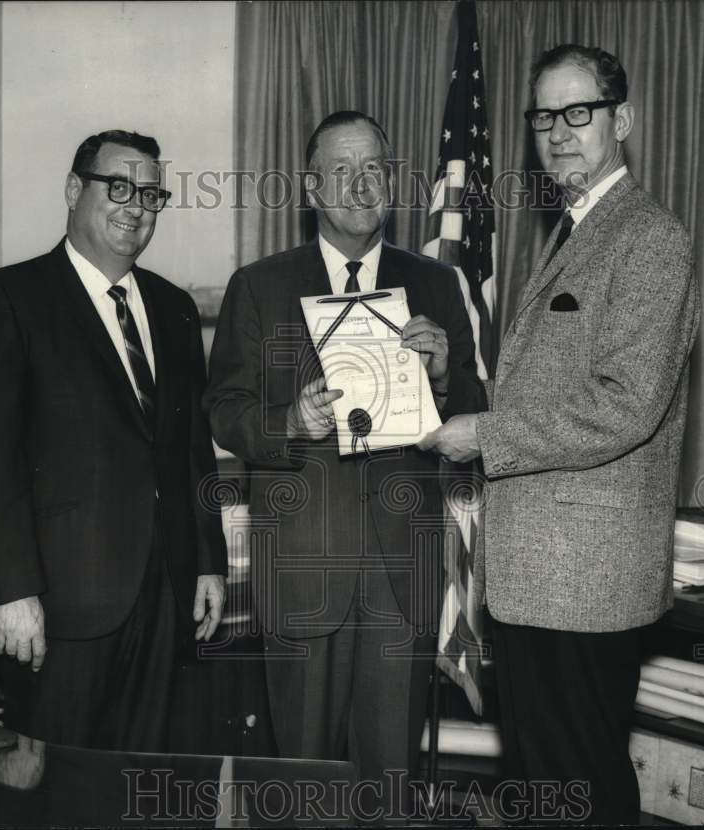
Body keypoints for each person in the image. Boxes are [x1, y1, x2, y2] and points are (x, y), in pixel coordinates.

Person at [420, 45, 700, 824]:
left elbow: (625, 402)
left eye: (580, 112)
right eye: (544, 116)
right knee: (550, 788)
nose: (559, 132)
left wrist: (488, 435)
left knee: (577, 788)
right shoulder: (575, 229)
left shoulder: (647, 237)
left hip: (584, 581)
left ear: (624, 121)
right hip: (543, 578)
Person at [204, 111, 486, 817]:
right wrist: (288, 422)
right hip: (302, 568)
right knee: (302, 788)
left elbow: (476, 416)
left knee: (388, 788)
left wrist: (446, 376)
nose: (360, 186)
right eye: (342, 171)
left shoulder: (437, 284)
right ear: (311, 186)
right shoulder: (260, 285)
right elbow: (223, 408)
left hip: (401, 575)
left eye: (376, 171)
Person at [0, 130, 227, 752]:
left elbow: (192, 451)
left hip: (168, 599)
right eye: (119, 187)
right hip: (57, 606)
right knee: (48, 793)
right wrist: (11, 589)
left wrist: (209, 559)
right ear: (75, 190)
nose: (136, 206)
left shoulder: (176, 308)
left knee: (150, 790)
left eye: (151, 194)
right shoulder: (8, 299)